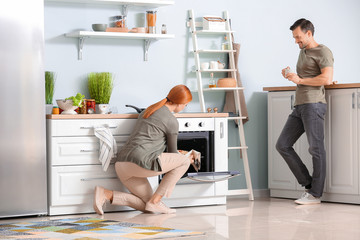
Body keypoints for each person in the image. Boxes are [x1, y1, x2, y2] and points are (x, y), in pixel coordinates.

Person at [93, 84, 195, 214]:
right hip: (140, 162)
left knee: (148, 206)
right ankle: (156, 201)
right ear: (181, 103)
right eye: (186, 104)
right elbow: (172, 152)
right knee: (184, 162)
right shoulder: (171, 120)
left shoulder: (149, 110)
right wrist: (187, 158)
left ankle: (106, 194)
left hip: (122, 164)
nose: (185, 107)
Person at [276, 18, 334, 205]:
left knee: (316, 148)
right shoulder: (303, 51)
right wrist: (291, 74)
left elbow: (326, 78)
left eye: (298, 37)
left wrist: (299, 80)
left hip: (314, 104)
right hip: (300, 105)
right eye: (294, 38)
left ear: (309, 33)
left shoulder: (323, 51)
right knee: (282, 144)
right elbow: (306, 76)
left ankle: (315, 195)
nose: (296, 41)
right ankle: (309, 185)